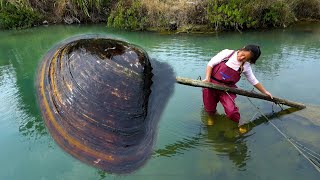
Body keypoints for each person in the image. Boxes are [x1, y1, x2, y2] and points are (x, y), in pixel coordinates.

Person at [202, 44, 273, 126]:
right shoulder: (227, 53)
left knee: (231, 111)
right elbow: (211, 64)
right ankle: (211, 117)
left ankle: (239, 121)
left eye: (246, 59)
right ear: (243, 48)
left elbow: (253, 80)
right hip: (211, 84)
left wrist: (265, 92)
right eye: (243, 55)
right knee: (209, 107)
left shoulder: (245, 66)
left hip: (227, 89)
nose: (242, 58)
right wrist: (207, 78)